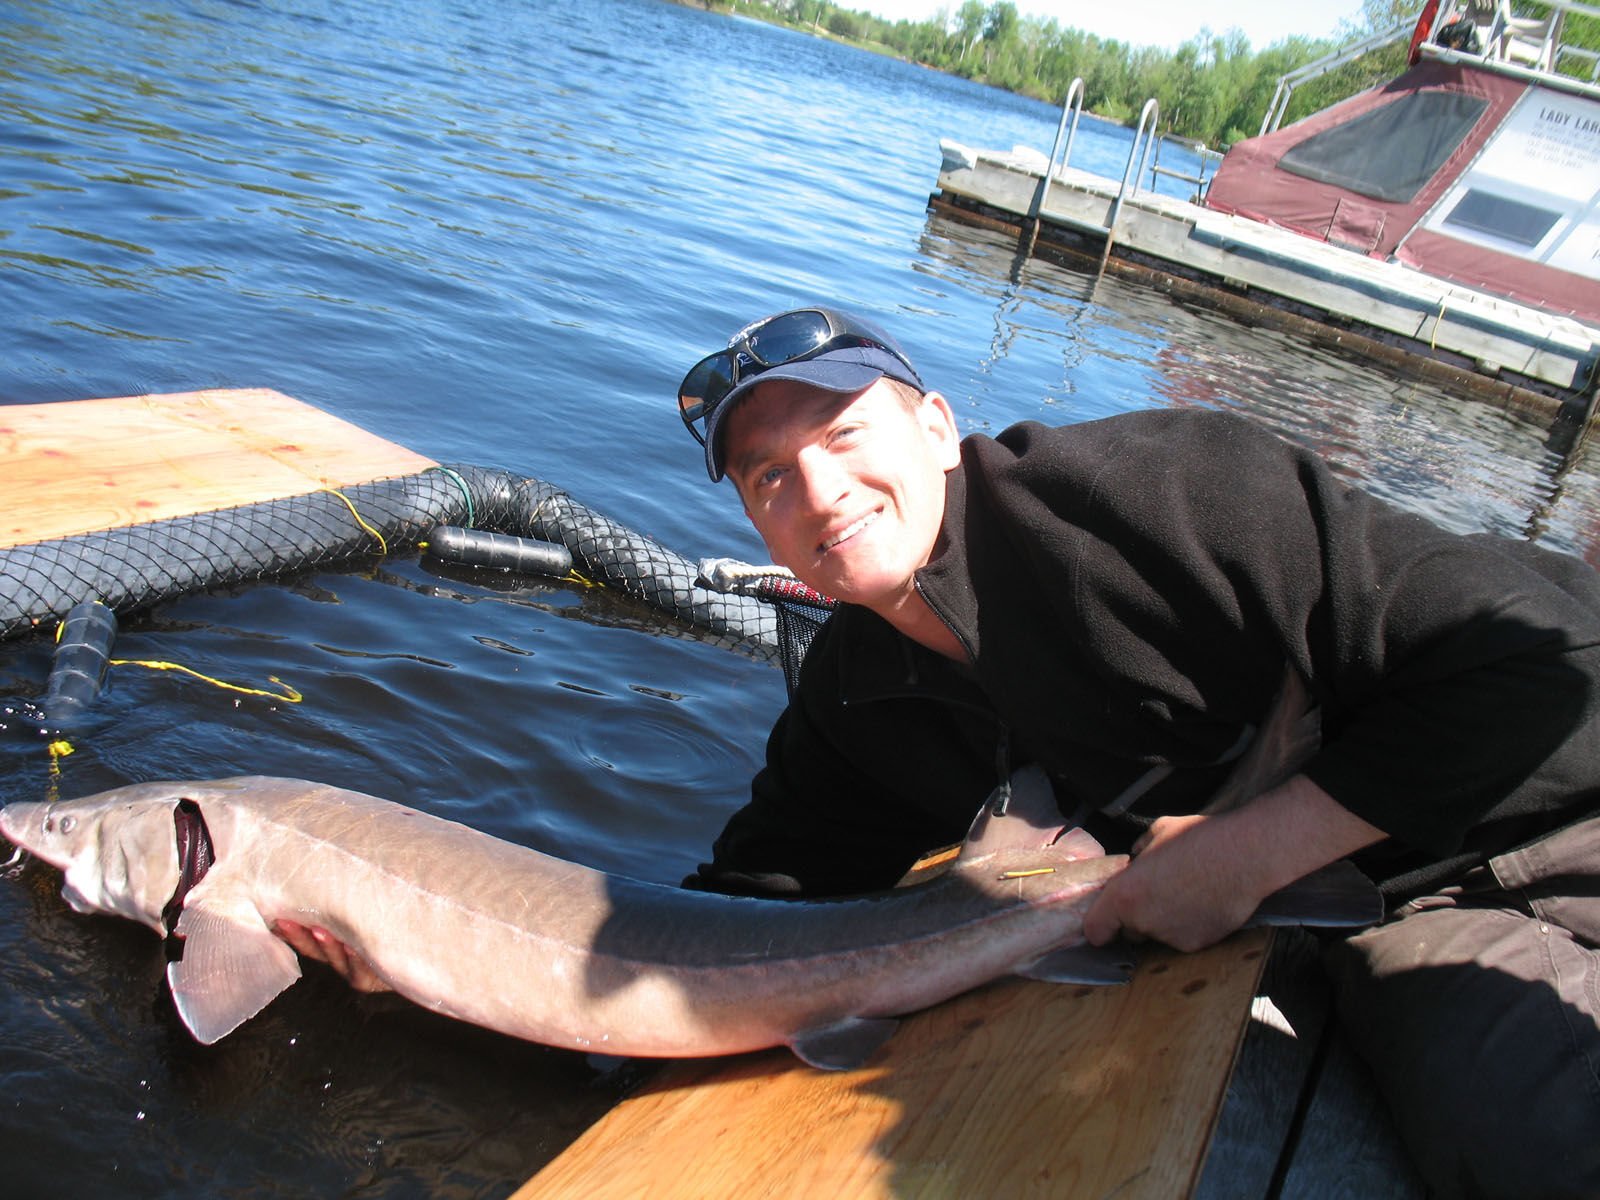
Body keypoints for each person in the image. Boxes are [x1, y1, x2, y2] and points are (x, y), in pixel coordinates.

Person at [672, 306, 1600, 1199]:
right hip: (1400, 900)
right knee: (1532, 1143)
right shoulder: (856, 693)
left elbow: (1553, 661)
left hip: (1551, 795)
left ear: (938, 427)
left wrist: (1255, 850)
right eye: (769, 477)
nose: (819, 492)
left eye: (843, 435)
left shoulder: (1159, 497)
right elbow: (768, 889)